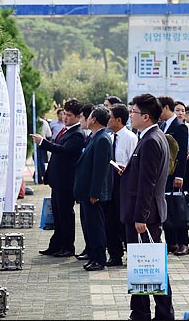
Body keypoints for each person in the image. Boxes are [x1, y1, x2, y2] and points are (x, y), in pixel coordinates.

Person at [119, 93, 175, 321]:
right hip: (145, 212)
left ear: (145, 116)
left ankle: (161, 313)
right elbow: (142, 176)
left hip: (145, 215)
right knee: (143, 266)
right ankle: (141, 312)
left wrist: (140, 217)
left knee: (151, 266)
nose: (130, 115)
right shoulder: (149, 136)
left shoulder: (152, 140)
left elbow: (149, 183)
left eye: (132, 112)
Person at [31, 99, 85, 258]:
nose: (65, 118)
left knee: (65, 215)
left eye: (69, 115)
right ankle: (56, 244)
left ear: (77, 117)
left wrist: (43, 142)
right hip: (58, 180)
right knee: (57, 213)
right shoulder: (65, 130)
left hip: (66, 182)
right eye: (65, 114)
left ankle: (67, 246)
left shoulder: (77, 134)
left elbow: (63, 150)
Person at [73, 107, 113, 271]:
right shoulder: (94, 137)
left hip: (93, 193)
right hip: (87, 191)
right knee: (91, 225)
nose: (87, 119)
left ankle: (99, 259)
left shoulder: (102, 139)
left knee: (96, 227)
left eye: (88, 117)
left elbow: (100, 170)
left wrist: (95, 193)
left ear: (94, 119)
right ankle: (94, 256)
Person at [104, 104, 138, 267]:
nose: (108, 120)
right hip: (110, 181)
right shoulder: (109, 136)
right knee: (110, 220)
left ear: (118, 120)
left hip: (124, 182)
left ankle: (132, 254)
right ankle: (114, 254)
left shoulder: (130, 137)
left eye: (110, 117)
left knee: (124, 221)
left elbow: (134, 163)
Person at [158, 98, 189, 256]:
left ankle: (183, 242)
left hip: (175, 174)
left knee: (178, 207)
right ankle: (171, 242)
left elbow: (182, 154)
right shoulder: (163, 125)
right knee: (167, 208)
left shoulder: (180, 126)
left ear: (165, 107)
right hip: (164, 173)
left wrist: (180, 176)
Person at [74, 103, 96, 261]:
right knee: (86, 222)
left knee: (93, 224)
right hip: (84, 189)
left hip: (92, 191)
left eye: (82, 117)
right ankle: (89, 248)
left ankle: (95, 253)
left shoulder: (100, 138)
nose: (80, 120)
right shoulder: (90, 136)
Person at [36, 116, 52, 184]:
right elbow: (49, 134)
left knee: (38, 161)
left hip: (38, 143)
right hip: (43, 143)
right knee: (40, 160)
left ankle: (41, 175)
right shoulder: (44, 122)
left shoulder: (38, 122)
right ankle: (41, 176)